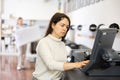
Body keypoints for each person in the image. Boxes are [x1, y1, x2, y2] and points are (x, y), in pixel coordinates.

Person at [32, 12, 89, 80]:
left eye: (67, 27)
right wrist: (76, 64)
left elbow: (61, 63)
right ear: (53, 25)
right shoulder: (44, 42)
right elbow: (51, 64)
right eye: (62, 25)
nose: (65, 29)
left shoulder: (62, 44)